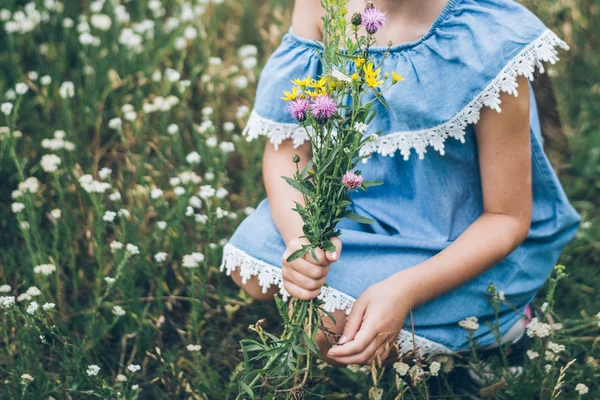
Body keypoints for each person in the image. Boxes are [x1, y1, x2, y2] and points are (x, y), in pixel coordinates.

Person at [219, 0, 581, 367]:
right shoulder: (323, 7)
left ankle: (501, 331)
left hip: (456, 236)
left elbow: (507, 219)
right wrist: (302, 239)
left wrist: (403, 291)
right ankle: (393, 310)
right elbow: (286, 149)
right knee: (250, 269)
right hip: (366, 208)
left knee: (327, 333)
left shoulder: (487, 33)